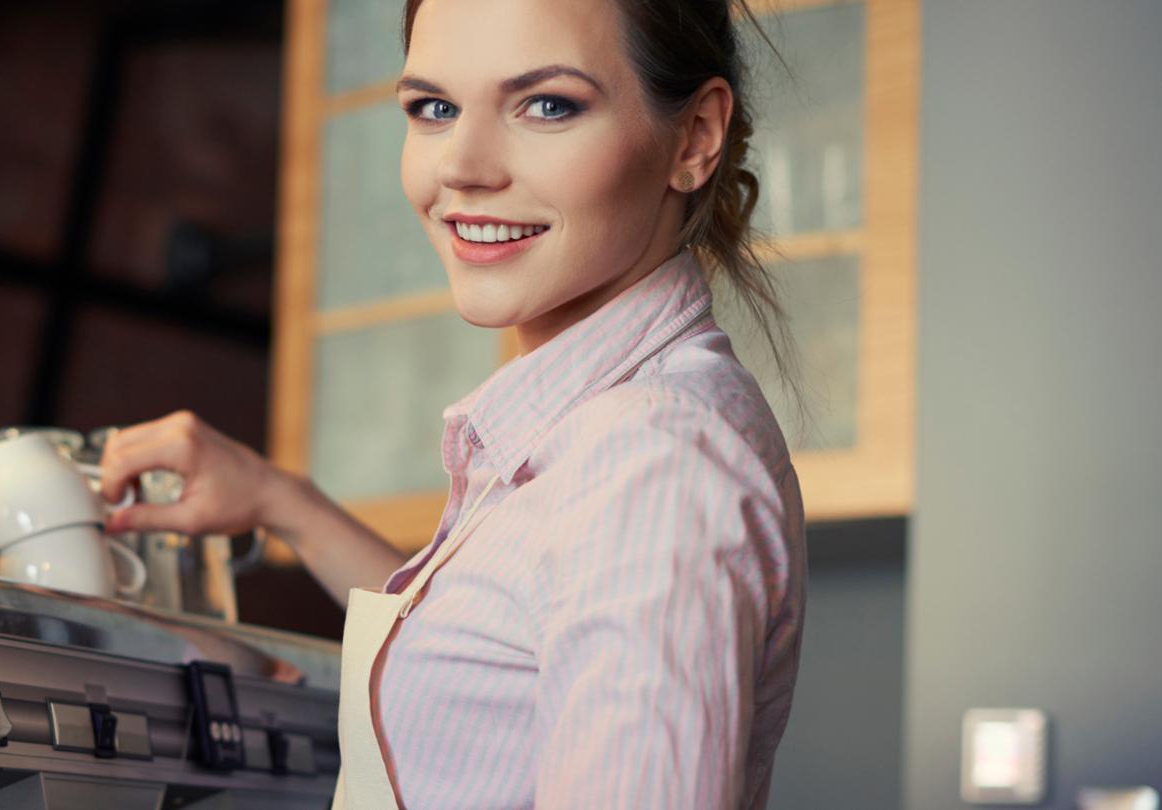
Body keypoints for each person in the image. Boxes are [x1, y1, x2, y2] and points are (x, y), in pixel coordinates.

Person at [98, 0, 805, 806]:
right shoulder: (608, 430)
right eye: (434, 108)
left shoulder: (651, 463)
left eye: (547, 105)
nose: (462, 167)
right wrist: (279, 501)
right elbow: (491, 649)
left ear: (696, 137)